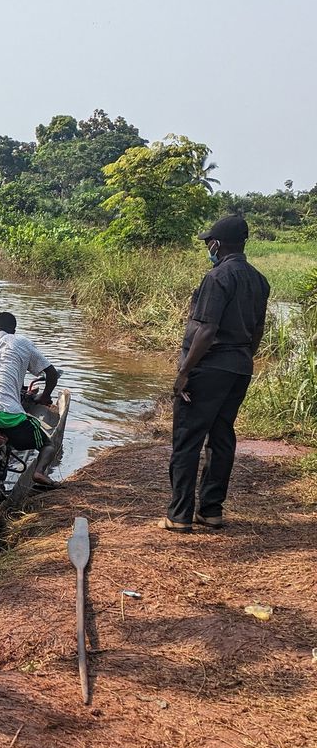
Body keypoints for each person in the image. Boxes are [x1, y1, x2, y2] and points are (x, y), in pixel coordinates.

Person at [163, 215, 269, 533]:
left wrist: (184, 372)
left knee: (187, 440)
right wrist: (242, 359)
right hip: (239, 370)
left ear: (218, 244)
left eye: (209, 242)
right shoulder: (259, 280)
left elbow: (207, 329)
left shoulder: (218, 276)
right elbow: (258, 330)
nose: (208, 247)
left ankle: (179, 515)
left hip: (209, 368)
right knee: (222, 438)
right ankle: (211, 511)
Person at [0, 312, 61, 486]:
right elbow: (51, 373)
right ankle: (39, 473)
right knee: (48, 445)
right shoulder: (23, 342)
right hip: (11, 417)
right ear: (13, 331)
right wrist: (44, 396)